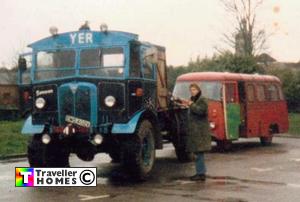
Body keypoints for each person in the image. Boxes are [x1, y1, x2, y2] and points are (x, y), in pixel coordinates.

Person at [182, 83, 211, 181]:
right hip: (196, 131)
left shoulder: (202, 100)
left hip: (200, 131)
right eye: (191, 90)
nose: (192, 92)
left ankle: (201, 174)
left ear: (198, 90)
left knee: (199, 153)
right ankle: (200, 173)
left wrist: (191, 105)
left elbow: (201, 111)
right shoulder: (194, 100)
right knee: (197, 153)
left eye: (194, 90)